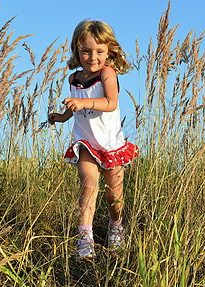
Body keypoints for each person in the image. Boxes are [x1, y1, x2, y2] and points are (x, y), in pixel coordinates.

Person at [48, 19, 138, 260]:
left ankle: (115, 226)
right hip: (86, 143)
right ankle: (85, 238)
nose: (92, 57)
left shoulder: (107, 73)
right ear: (77, 51)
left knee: (113, 195)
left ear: (109, 52)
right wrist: (63, 116)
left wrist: (84, 103)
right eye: (86, 50)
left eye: (99, 51)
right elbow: (75, 106)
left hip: (110, 145)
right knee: (88, 186)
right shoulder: (73, 79)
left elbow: (111, 103)